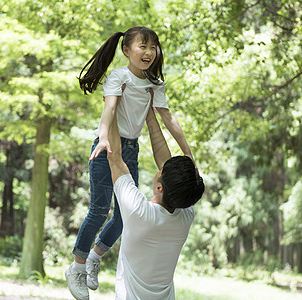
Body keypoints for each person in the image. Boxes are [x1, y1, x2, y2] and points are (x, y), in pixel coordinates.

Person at [65, 26, 195, 300]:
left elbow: (167, 118)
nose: (149, 52)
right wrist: (103, 138)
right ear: (126, 51)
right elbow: (109, 109)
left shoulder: (154, 85)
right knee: (99, 209)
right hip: (108, 144)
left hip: (132, 148)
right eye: (142, 46)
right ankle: (76, 266)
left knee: (124, 218)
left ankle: (94, 256)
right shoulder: (118, 77)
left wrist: (188, 152)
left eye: (153, 47)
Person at [107, 106, 204, 299]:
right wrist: (149, 115)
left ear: (160, 188)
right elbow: (173, 175)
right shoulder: (185, 214)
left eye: (161, 172)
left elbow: (115, 158)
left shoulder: (139, 212)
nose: (159, 169)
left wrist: (113, 105)